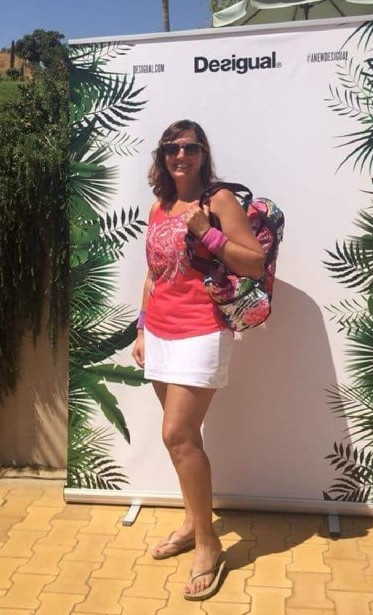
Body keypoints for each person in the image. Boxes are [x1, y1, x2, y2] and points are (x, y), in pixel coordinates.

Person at [132, 119, 264, 601]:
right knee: (184, 441)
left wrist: (207, 232)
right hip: (160, 331)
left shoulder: (218, 201)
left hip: (202, 331)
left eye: (189, 147)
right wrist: (141, 327)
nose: (180, 155)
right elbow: (153, 272)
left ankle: (208, 545)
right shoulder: (159, 205)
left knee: (176, 434)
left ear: (203, 153)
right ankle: (192, 523)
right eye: (172, 148)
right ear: (162, 155)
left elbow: (254, 262)